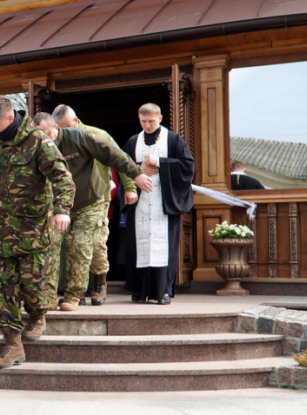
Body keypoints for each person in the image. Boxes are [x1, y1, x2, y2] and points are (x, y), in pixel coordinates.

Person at [0, 97, 75, 369]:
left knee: (33, 285)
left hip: (32, 230)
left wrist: (62, 210)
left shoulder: (38, 141)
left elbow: (63, 178)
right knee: (5, 289)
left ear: (10, 119)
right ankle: (12, 343)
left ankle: (38, 313)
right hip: (4, 232)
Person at [33, 113, 151, 312]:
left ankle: (74, 295)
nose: (44, 139)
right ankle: (49, 296)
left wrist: (135, 175)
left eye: (46, 133)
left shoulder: (81, 137)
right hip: (58, 205)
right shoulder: (36, 146)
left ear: (56, 128)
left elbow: (114, 154)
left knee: (80, 244)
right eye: (39, 135)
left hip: (90, 201)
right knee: (49, 246)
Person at [121, 103, 195, 305]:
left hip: (164, 204)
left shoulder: (173, 139)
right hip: (141, 204)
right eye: (143, 121)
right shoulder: (133, 141)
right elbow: (121, 165)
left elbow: (188, 166)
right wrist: (140, 167)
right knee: (138, 245)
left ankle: (163, 291)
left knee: (163, 247)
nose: (147, 125)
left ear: (160, 118)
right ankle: (138, 289)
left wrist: (161, 162)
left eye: (151, 121)